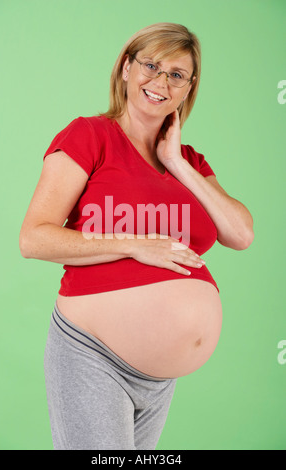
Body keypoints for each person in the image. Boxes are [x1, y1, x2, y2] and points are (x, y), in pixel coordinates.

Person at [19, 22, 254, 450]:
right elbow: (33, 238)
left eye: (176, 75)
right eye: (151, 65)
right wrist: (134, 243)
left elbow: (240, 234)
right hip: (93, 355)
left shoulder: (190, 160)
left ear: (188, 87)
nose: (161, 82)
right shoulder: (89, 135)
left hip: (160, 378)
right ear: (126, 69)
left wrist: (176, 162)